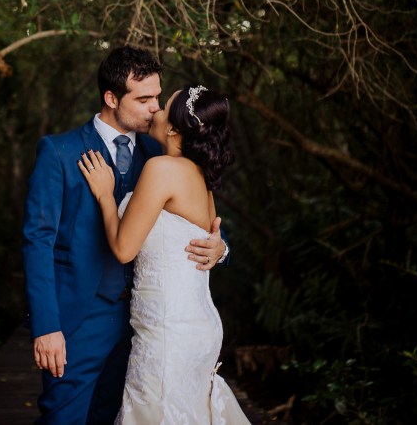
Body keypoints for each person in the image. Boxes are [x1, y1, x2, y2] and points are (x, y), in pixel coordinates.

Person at [22, 47, 229, 425]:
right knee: (63, 418)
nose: (154, 107)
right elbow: (38, 242)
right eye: (144, 98)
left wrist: (221, 246)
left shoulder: (160, 154)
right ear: (112, 98)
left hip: (144, 324)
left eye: (158, 97)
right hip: (80, 320)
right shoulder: (60, 151)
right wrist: (47, 326)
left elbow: (196, 215)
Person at [78, 84, 250, 424]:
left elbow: (124, 249)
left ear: (172, 127)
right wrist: (222, 246)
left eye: (163, 105)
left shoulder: (161, 169)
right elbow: (208, 237)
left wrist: (105, 195)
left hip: (168, 330)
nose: (155, 109)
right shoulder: (202, 178)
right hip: (197, 326)